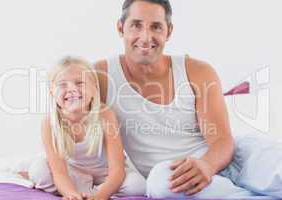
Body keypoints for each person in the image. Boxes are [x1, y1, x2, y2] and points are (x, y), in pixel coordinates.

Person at [94, 0, 282, 199]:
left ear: (169, 31)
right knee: (160, 182)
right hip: (177, 178)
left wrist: (207, 165)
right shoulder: (99, 76)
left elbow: (221, 139)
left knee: (268, 158)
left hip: (231, 158)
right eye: (136, 25)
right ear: (121, 27)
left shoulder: (198, 71)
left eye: (156, 27)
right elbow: (62, 115)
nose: (146, 36)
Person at [18, 57, 146, 200]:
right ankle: (80, 190)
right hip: (74, 173)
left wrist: (100, 196)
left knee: (137, 185)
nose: (72, 89)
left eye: (80, 83)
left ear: (94, 89)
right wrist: (70, 195)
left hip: (105, 173)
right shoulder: (49, 123)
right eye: (62, 85)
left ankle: (89, 191)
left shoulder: (105, 115)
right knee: (39, 170)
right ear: (52, 93)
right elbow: (59, 172)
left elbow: (117, 170)